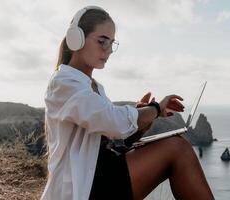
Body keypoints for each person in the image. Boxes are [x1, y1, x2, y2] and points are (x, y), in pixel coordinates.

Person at [41, 5, 214, 200]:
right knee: (178, 149)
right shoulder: (64, 83)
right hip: (84, 188)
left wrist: (142, 124)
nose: (108, 51)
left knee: (178, 146)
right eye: (102, 41)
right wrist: (155, 109)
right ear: (76, 38)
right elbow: (113, 121)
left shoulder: (93, 86)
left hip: (100, 175)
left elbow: (109, 137)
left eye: (112, 43)